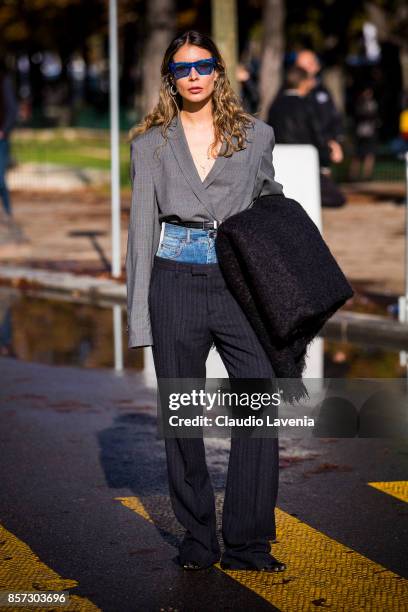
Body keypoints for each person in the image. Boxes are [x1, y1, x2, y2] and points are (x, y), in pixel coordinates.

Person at [126, 30, 287, 573]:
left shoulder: (257, 135)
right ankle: (198, 537)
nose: (192, 76)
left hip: (240, 284)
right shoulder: (150, 145)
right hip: (174, 279)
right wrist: (140, 319)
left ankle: (248, 542)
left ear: (219, 71)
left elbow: (272, 202)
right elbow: (141, 231)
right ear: (169, 78)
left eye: (202, 66)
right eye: (181, 69)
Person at [349, 86, 380, 181]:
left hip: (370, 132)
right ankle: (353, 176)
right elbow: (359, 117)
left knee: (369, 155)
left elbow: (374, 117)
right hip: (362, 133)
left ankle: (367, 176)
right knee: (358, 155)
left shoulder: (372, 103)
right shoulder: (359, 103)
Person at [0, 64, 18, 218]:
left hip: (1, 140)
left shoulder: (4, 82)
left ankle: (7, 210)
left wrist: (4, 131)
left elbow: (13, 111)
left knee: (0, 178)